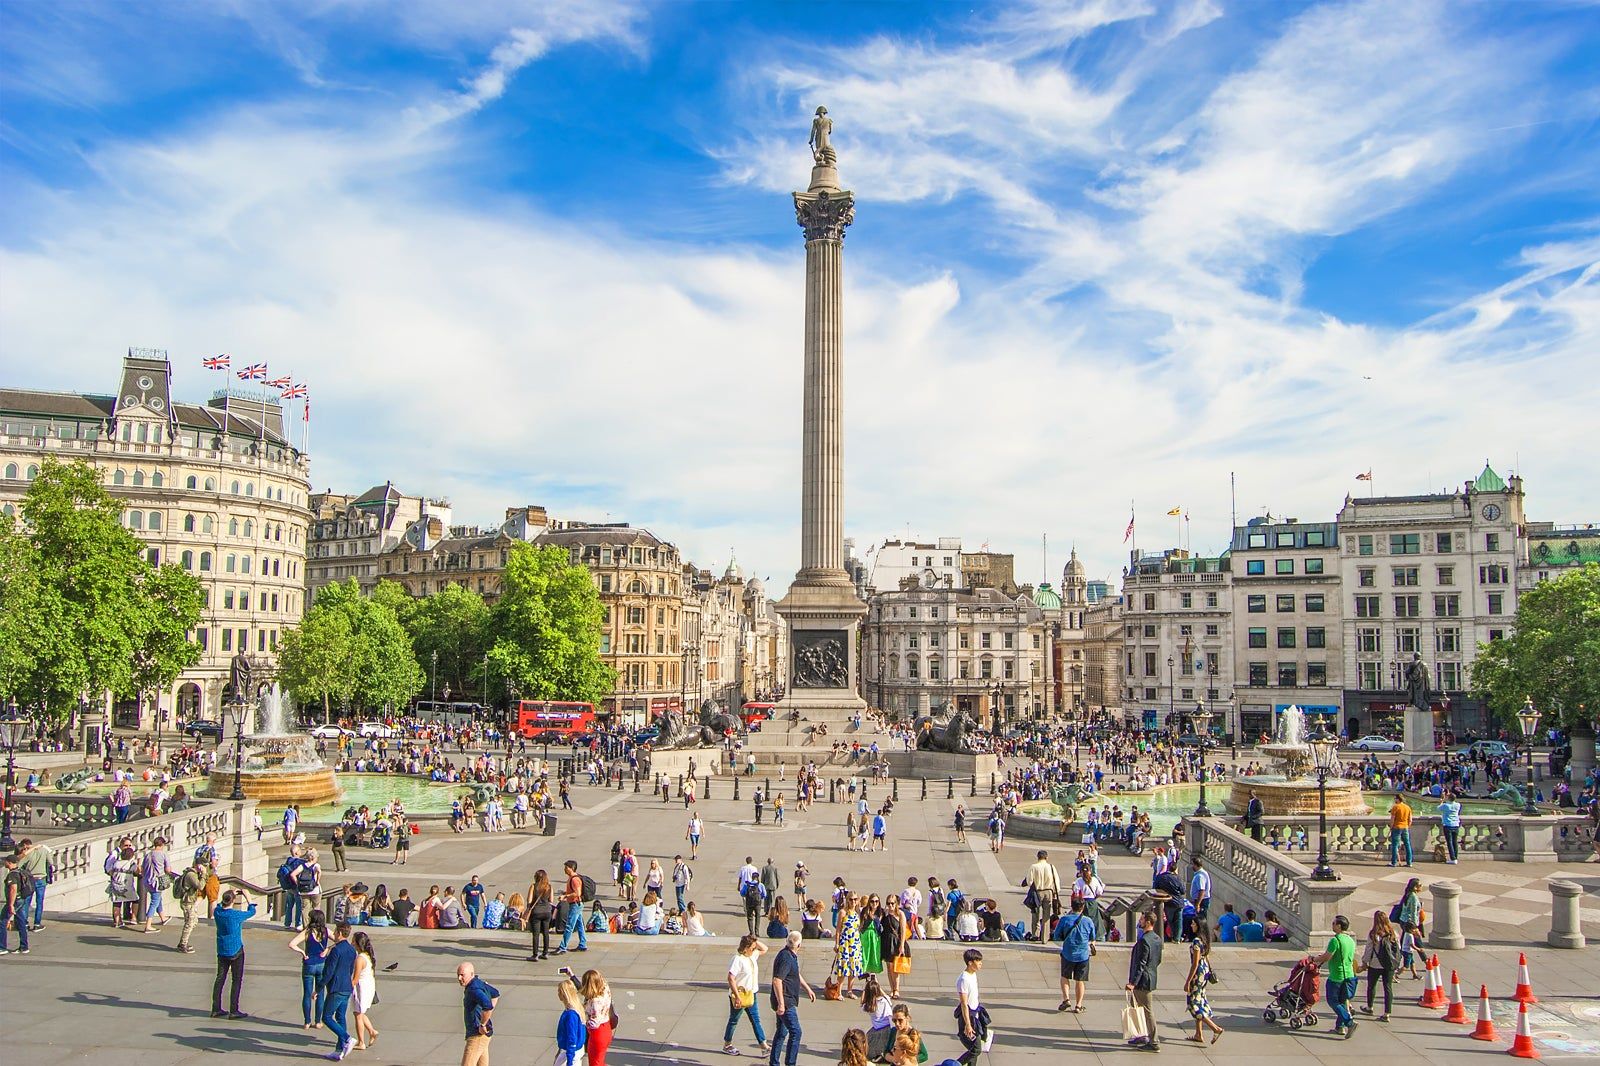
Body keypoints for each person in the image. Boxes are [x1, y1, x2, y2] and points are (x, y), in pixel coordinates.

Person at [769, 931, 816, 1066]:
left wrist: (807, 988)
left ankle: (774, 1062)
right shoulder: (786, 958)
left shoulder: (789, 955)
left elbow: (795, 974)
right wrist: (781, 1004)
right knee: (796, 1032)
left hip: (784, 999)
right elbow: (777, 980)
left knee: (782, 1031)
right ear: (799, 945)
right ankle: (790, 1063)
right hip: (786, 1000)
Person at [212, 888, 257, 1020]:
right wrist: (248, 897)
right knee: (236, 980)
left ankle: (216, 1008)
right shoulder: (235, 915)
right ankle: (234, 1009)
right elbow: (252, 911)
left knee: (220, 978)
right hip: (236, 949)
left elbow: (219, 905)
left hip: (222, 949)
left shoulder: (218, 912)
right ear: (233, 901)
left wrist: (230, 893)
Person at [1313, 913, 1359, 1039]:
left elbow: (1327, 957)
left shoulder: (1335, 940)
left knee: (1333, 1001)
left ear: (1339, 926)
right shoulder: (1350, 940)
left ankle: (1349, 1022)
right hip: (1349, 975)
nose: (1332, 925)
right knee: (1343, 1001)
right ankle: (1340, 1027)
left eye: (1334, 923)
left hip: (1336, 976)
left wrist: (1315, 959)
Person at [725, 933, 770, 1054]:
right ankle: (727, 1044)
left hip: (751, 994)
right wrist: (737, 997)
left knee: (755, 1019)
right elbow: (731, 978)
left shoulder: (752, 956)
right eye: (752, 948)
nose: (754, 950)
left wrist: (755, 940)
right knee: (734, 1020)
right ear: (746, 948)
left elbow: (765, 949)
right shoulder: (737, 959)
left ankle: (764, 1045)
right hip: (740, 995)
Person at [1125, 911, 1162, 1052]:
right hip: (1150, 977)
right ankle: (1142, 1034)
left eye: (1141, 919)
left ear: (1147, 922)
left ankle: (1154, 1041)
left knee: (1147, 1010)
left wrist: (1133, 982)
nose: (1139, 921)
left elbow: (1141, 963)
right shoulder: (1157, 939)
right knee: (1137, 1007)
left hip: (1142, 981)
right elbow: (1158, 960)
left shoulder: (1144, 940)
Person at [321, 920, 358, 1060]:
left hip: (336, 988)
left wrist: (318, 988)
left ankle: (347, 1038)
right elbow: (350, 969)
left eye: (335, 932)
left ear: (340, 933)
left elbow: (329, 971)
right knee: (340, 1016)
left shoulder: (336, 950)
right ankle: (339, 1049)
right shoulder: (351, 950)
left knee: (327, 1017)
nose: (334, 934)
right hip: (346, 987)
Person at [289, 910, 331, 1030]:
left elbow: (292, 944)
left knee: (307, 994)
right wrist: (327, 949)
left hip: (309, 964)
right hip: (321, 964)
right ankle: (318, 1021)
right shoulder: (326, 931)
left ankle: (307, 1021)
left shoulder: (307, 932)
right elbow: (339, 940)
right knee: (320, 993)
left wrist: (302, 952)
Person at [1183, 924, 1223, 1044]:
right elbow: (1207, 958)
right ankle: (1198, 1034)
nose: (1191, 925)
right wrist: (1210, 971)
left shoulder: (1196, 941)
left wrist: (1188, 981)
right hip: (1204, 972)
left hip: (1198, 973)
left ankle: (1215, 1028)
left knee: (1193, 1004)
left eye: (1194, 923)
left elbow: (1195, 964)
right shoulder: (1205, 939)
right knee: (1200, 999)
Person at [1358, 910, 1400, 1022]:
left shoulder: (1374, 934)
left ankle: (1370, 1007)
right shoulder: (1393, 933)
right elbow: (1397, 950)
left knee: (1371, 986)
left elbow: (1369, 949)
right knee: (1388, 987)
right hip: (1389, 965)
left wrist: (1364, 962)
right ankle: (1387, 1013)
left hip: (1375, 964)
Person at [1057, 898, 1094, 1014]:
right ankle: (1078, 1005)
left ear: (1071, 907)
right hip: (1083, 954)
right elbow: (1092, 937)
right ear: (1082, 908)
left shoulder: (1064, 920)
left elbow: (1057, 935)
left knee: (1064, 976)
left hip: (1068, 953)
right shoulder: (1088, 921)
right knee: (1080, 980)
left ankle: (1066, 999)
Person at [458, 962, 499, 1066]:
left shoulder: (473, 990)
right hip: (482, 1036)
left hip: (476, 1035)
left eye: (462, 975)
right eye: (458, 974)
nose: (459, 978)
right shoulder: (478, 983)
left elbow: (488, 1005)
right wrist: (486, 1016)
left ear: (471, 974)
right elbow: (495, 994)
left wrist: (483, 1023)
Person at [139, 836, 178, 933]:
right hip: (157, 881)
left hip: (147, 881)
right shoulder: (163, 854)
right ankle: (148, 925)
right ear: (162, 845)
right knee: (155, 901)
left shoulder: (148, 855)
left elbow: (142, 869)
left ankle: (163, 917)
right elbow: (168, 870)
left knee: (157, 898)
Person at [955, 948, 986, 1066]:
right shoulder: (964, 979)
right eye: (977, 961)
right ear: (970, 963)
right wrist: (968, 1025)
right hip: (968, 1018)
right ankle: (956, 1064)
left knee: (974, 1049)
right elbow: (964, 1003)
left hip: (975, 1015)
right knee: (976, 1049)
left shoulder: (973, 975)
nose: (980, 963)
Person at [831, 893, 865, 998]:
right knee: (843, 968)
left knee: (853, 968)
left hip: (855, 942)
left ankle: (849, 990)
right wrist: (836, 943)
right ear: (847, 900)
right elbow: (838, 930)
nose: (853, 901)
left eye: (855, 899)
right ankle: (839, 991)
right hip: (845, 942)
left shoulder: (858, 912)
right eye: (851, 899)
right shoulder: (843, 912)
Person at [1025, 850, 1062, 942]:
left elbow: (1029, 881)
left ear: (1037, 857)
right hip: (1048, 891)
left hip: (1037, 892)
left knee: (1035, 914)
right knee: (1046, 916)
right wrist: (1055, 892)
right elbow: (1056, 881)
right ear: (1046, 857)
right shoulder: (1051, 867)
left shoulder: (1033, 867)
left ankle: (1035, 934)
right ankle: (1045, 937)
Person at [351, 930, 379, 1050]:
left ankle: (361, 1042)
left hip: (361, 988)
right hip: (369, 985)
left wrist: (347, 989)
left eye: (353, 941)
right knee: (360, 1013)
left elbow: (355, 979)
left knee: (358, 1014)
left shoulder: (360, 959)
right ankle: (372, 1031)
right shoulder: (367, 956)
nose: (351, 943)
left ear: (358, 944)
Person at [174, 855, 208, 953]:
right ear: (199, 865)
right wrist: (203, 874)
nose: (206, 868)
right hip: (187, 902)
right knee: (189, 922)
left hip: (191, 901)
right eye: (204, 866)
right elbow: (200, 886)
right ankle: (183, 944)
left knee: (193, 921)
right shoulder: (191, 875)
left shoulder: (194, 873)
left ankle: (184, 941)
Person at [581, 969, 614, 1066]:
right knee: (600, 1061)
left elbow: (594, 1023)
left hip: (597, 1033)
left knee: (595, 1063)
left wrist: (582, 1020)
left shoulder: (595, 1002)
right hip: (606, 1027)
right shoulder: (604, 988)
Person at [17, 839, 50, 930]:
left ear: (25, 845)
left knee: (27, 902)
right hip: (41, 879)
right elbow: (51, 862)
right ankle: (37, 924)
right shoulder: (44, 850)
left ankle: (25, 923)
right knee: (39, 902)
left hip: (30, 879)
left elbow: (19, 865)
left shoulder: (28, 853)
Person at [0, 853, 30, 955]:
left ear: (9, 862)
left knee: (2, 921)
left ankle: (2, 947)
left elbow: (13, 889)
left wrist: (11, 905)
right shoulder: (20, 871)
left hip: (15, 901)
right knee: (21, 923)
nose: (5, 863)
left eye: (6, 862)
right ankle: (24, 947)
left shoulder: (12, 875)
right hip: (21, 900)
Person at [556, 860, 588, 954]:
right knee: (580, 925)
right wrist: (566, 893)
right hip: (576, 904)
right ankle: (583, 944)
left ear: (571, 868)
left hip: (575, 905)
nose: (564, 869)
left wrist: (565, 896)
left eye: (566, 868)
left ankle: (563, 947)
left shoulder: (574, 879)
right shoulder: (572, 878)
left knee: (569, 926)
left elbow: (577, 893)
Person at [862, 975, 895, 1059]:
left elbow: (862, 1002)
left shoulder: (868, 1005)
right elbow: (885, 995)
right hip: (888, 1027)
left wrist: (864, 990)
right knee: (885, 1044)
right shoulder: (884, 1000)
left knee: (866, 1046)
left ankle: (879, 1053)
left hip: (876, 1029)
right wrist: (877, 984)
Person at [556, 979, 586, 1066]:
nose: (558, 994)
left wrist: (569, 1060)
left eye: (559, 991)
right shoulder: (577, 1009)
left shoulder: (570, 1014)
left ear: (564, 994)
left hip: (570, 1053)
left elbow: (571, 1038)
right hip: (577, 1050)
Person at [527, 869, 555, 960]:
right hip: (547, 911)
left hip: (536, 912)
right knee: (546, 933)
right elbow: (551, 900)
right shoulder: (549, 887)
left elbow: (529, 900)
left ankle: (535, 955)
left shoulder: (533, 886)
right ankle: (545, 953)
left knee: (536, 934)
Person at [1387, 792, 1413, 867]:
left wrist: (1391, 826)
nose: (1394, 800)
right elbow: (1410, 820)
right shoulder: (1407, 807)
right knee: (1407, 844)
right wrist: (1407, 826)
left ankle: (1393, 862)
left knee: (1395, 845)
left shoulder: (1395, 807)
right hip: (1405, 827)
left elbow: (1392, 819)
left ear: (1398, 799)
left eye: (1395, 798)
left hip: (1396, 827)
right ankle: (1409, 862)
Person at [1437, 792, 1462, 864]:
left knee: (1449, 842)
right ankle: (1455, 858)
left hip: (1448, 825)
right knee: (1455, 842)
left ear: (1449, 798)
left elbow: (1438, 808)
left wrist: (1442, 800)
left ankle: (1453, 858)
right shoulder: (1458, 805)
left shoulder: (1446, 805)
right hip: (1456, 824)